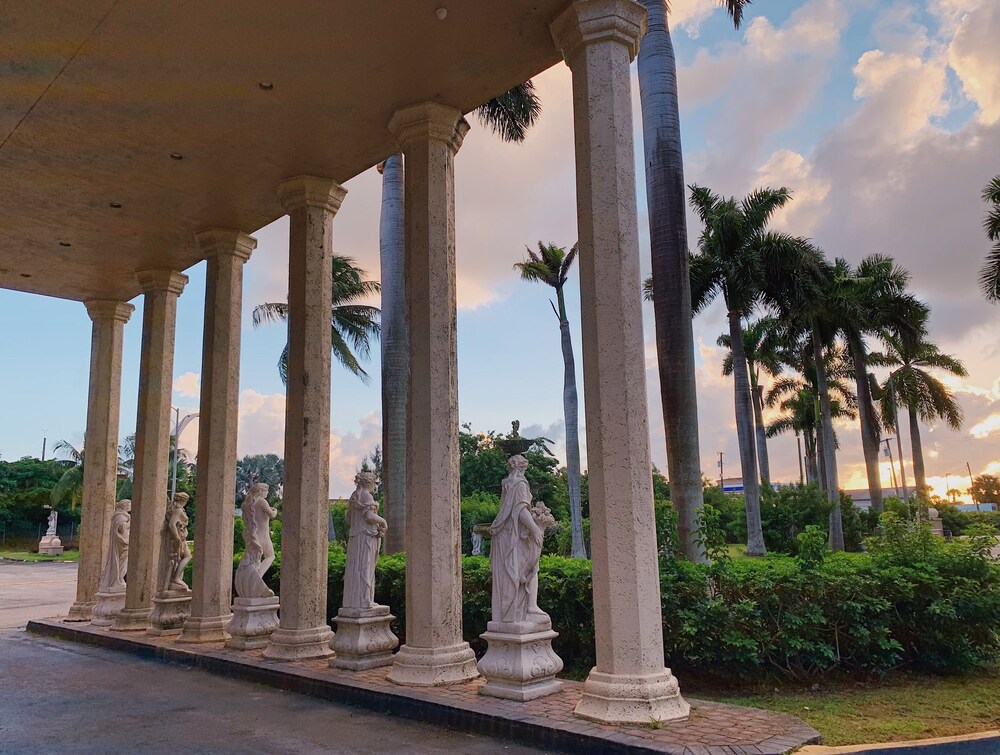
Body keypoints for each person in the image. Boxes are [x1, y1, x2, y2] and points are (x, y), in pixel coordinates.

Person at [489, 455, 548, 625]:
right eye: (524, 465)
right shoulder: (520, 484)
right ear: (521, 466)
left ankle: (516, 611)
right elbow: (520, 509)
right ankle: (528, 607)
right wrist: (535, 529)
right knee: (529, 568)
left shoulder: (507, 482)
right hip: (513, 535)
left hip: (505, 534)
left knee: (514, 572)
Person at [342, 472, 386, 610]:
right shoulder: (367, 495)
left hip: (356, 537)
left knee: (357, 568)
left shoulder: (354, 496)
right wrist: (383, 522)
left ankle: (354, 601)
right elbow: (369, 516)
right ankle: (365, 600)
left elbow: (348, 519)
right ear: (370, 483)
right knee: (366, 567)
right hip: (366, 537)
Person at [234, 483, 277, 599]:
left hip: (252, 535)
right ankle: (257, 576)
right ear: (261, 491)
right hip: (263, 535)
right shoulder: (262, 502)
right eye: (266, 491)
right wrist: (275, 510)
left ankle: (254, 577)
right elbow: (272, 515)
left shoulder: (245, 505)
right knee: (271, 556)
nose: (267, 494)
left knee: (254, 559)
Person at [159, 492, 191, 593]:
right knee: (187, 556)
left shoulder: (177, 509)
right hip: (178, 539)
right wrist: (176, 537)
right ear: (183, 500)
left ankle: (174, 580)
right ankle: (175, 579)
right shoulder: (178, 510)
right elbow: (172, 524)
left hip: (180, 538)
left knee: (178, 559)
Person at [99, 499, 131, 592]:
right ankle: (118, 579)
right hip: (122, 543)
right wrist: (130, 522)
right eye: (129, 505)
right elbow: (121, 528)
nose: (130, 506)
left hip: (125, 542)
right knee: (121, 561)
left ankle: (120, 579)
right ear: (124, 506)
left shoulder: (123, 515)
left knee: (124, 562)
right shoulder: (120, 516)